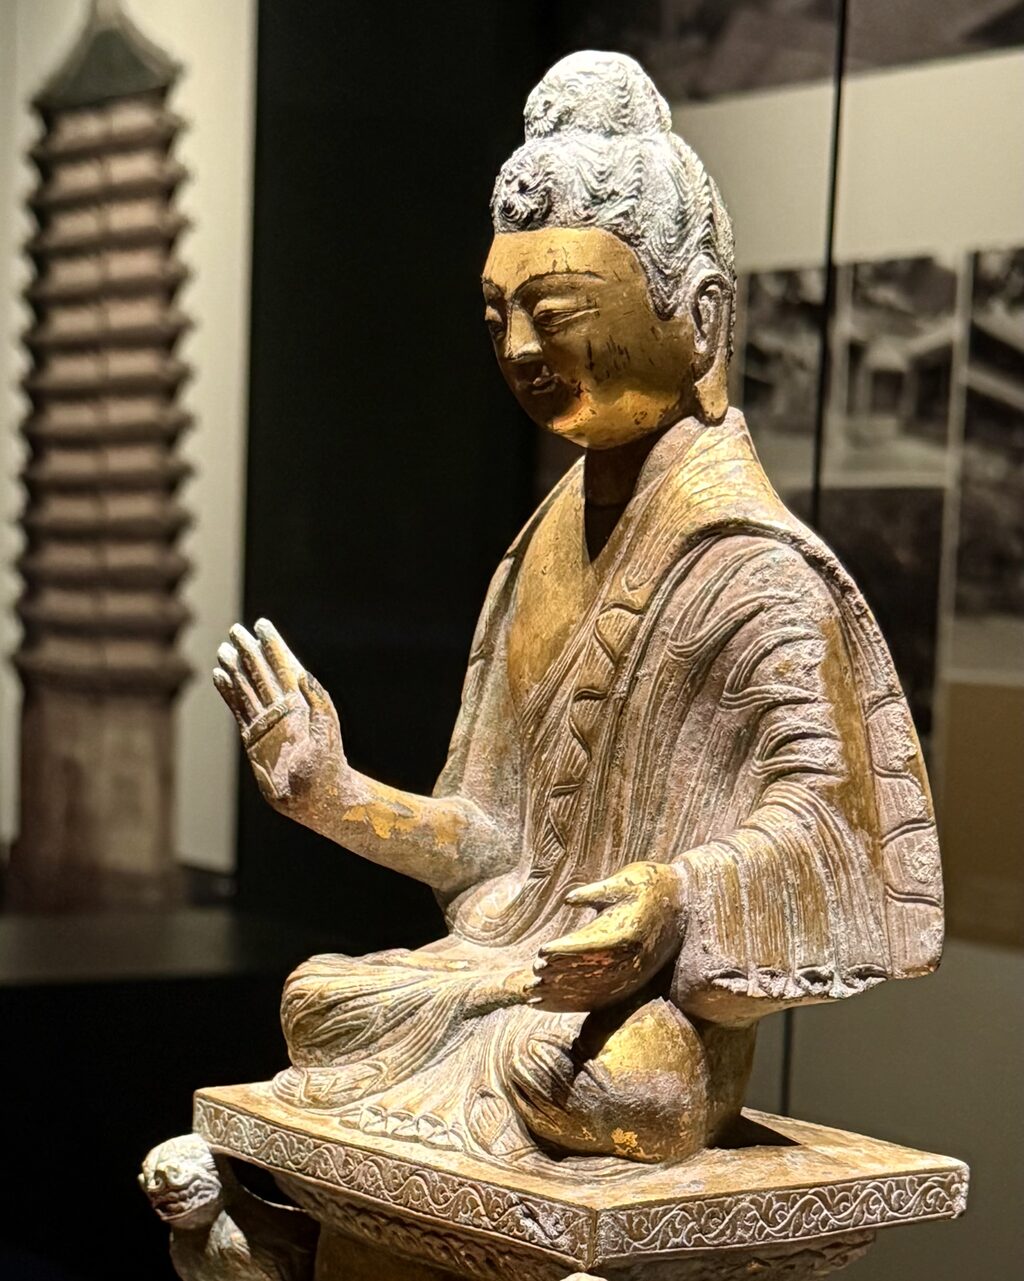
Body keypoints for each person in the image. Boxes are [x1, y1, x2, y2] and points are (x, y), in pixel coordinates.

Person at [213, 52, 942, 1168]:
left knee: (620, 1078)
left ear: (699, 319)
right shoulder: (536, 554)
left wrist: (671, 897)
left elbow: (827, 827)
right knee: (321, 1001)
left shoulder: (752, 566)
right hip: (510, 979)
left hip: (632, 1018)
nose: (518, 348)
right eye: (497, 314)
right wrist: (335, 795)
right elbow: (496, 846)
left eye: (554, 312)